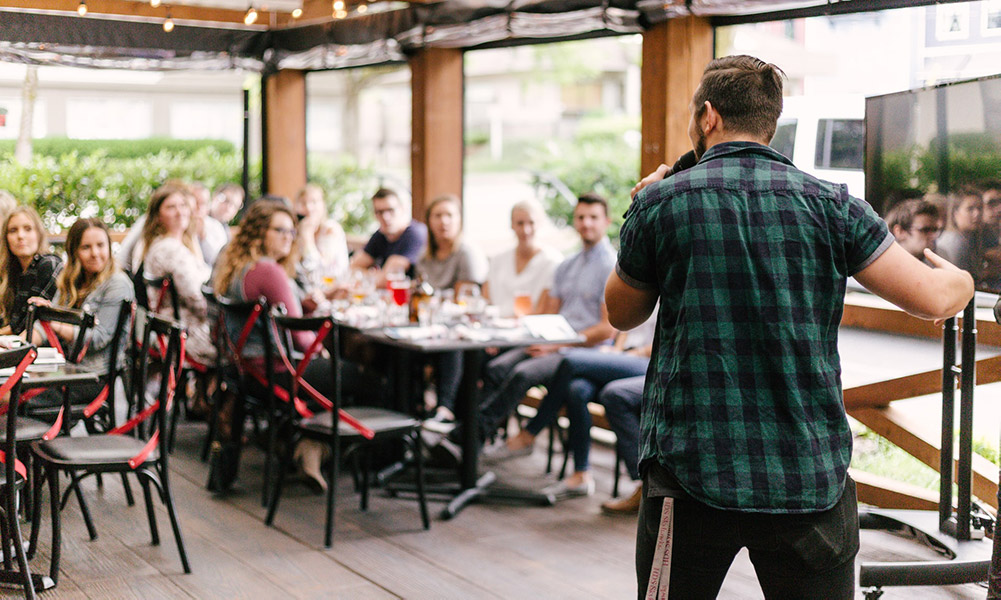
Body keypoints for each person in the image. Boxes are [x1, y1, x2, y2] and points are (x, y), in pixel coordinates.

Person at [607, 55, 974, 598]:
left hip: (690, 472)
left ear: (708, 116)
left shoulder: (662, 202)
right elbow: (933, 299)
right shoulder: (833, 205)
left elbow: (622, 312)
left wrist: (641, 210)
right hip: (807, 474)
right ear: (770, 122)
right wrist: (964, 277)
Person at [475, 193, 617, 448]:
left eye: (593, 218)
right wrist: (540, 339)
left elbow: (607, 329)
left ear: (606, 221)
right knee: (495, 367)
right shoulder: (567, 265)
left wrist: (556, 345)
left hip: (581, 351)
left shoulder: (611, 266)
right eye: (581, 217)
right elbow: (549, 314)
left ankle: (473, 435)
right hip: (552, 343)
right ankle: (483, 435)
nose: (586, 223)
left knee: (521, 373)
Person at [213, 199, 333, 492]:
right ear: (259, 233)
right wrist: (324, 349)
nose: (288, 238)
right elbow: (301, 338)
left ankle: (299, 441)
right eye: (280, 230)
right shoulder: (269, 270)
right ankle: (314, 444)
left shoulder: (238, 267)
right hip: (280, 373)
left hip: (248, 375)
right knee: (368, 378)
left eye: (291, 232)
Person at [488, 315, 655, 500]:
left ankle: (530, 432)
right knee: (577, 390)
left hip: (643, 361)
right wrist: (615, 350)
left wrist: (623, 355)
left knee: (569, 362)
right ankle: (581, 475)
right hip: (618, 357)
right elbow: (625, 329)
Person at [28, 218, 134, 419]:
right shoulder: (71, 279)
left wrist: (55, 323)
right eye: (86, 247)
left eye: (100, 245)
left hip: (93, 377)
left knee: (13, 397)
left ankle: (29, 447)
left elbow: (98, 338)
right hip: (65, 369)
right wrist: (18, 347)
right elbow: (45, 327)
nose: (95, 253)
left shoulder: (118, 284)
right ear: (74, 251)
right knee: (10, 387)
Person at [416, 194, 488, 423]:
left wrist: (434, 301)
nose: (443, 221)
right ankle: (412, 409)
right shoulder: (424, 257)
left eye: (449, 215)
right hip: (430, 328)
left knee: (450, 343)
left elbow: (463, 301)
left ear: (459, 220)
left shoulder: (467, 253)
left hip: (462, 331)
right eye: (438, 215)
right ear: (429, 221)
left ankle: (445, 410)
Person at [137, 183, 216, 365]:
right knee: (242, 349)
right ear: (157, 216)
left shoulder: (172, 244)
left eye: (183, 205)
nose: (180, 212)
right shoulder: (169, 250)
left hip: (174, 331)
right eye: (171, 207)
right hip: (184, 335)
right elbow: (197, 299)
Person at [482, 200, 563, 318]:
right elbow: (486, 300)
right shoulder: (498, 259)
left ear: (540, 224)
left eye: (531, 223)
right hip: (494, 326)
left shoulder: (552, 260)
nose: (526, 230)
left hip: (528, 330)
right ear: (512, 225)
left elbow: (543, 310)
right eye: (520, 223)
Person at [0, 206, 62, 336]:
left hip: (42, 350)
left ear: (38, 234)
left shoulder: (49, 264)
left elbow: (21, 325)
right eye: (13, 230)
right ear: (6, 238)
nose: (20, 236)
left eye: (28, 229)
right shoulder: (11, 272)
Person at [349, 188, 427, 282]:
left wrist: (369, 275)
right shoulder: (381, 235)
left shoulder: (415, 233)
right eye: (380, 212)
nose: (385, 217)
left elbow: (387, 280)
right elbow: (352, 269)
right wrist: (375, 275)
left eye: (390, 210)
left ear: (402, 209)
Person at [294, 183, 349, 285]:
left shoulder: (331, 229)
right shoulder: (297, 229)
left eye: (314, 202)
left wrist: (307, 237)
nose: (309, 208)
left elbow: (319, 269)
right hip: (308, 286)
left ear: (323, 205)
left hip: (333, 287)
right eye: (303, 203)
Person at [935, 187, 988, 283]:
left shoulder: (970, 238)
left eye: (980, 208)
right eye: (970, 209)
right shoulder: (954, 242)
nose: (977, 214)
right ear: (955, 213)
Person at [191, 181, 229, 266]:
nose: (199, 207)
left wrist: (203, 236)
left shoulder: (216, 226)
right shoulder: (179, 226)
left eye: (203, 203)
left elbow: (219, 260)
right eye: (195, 202)